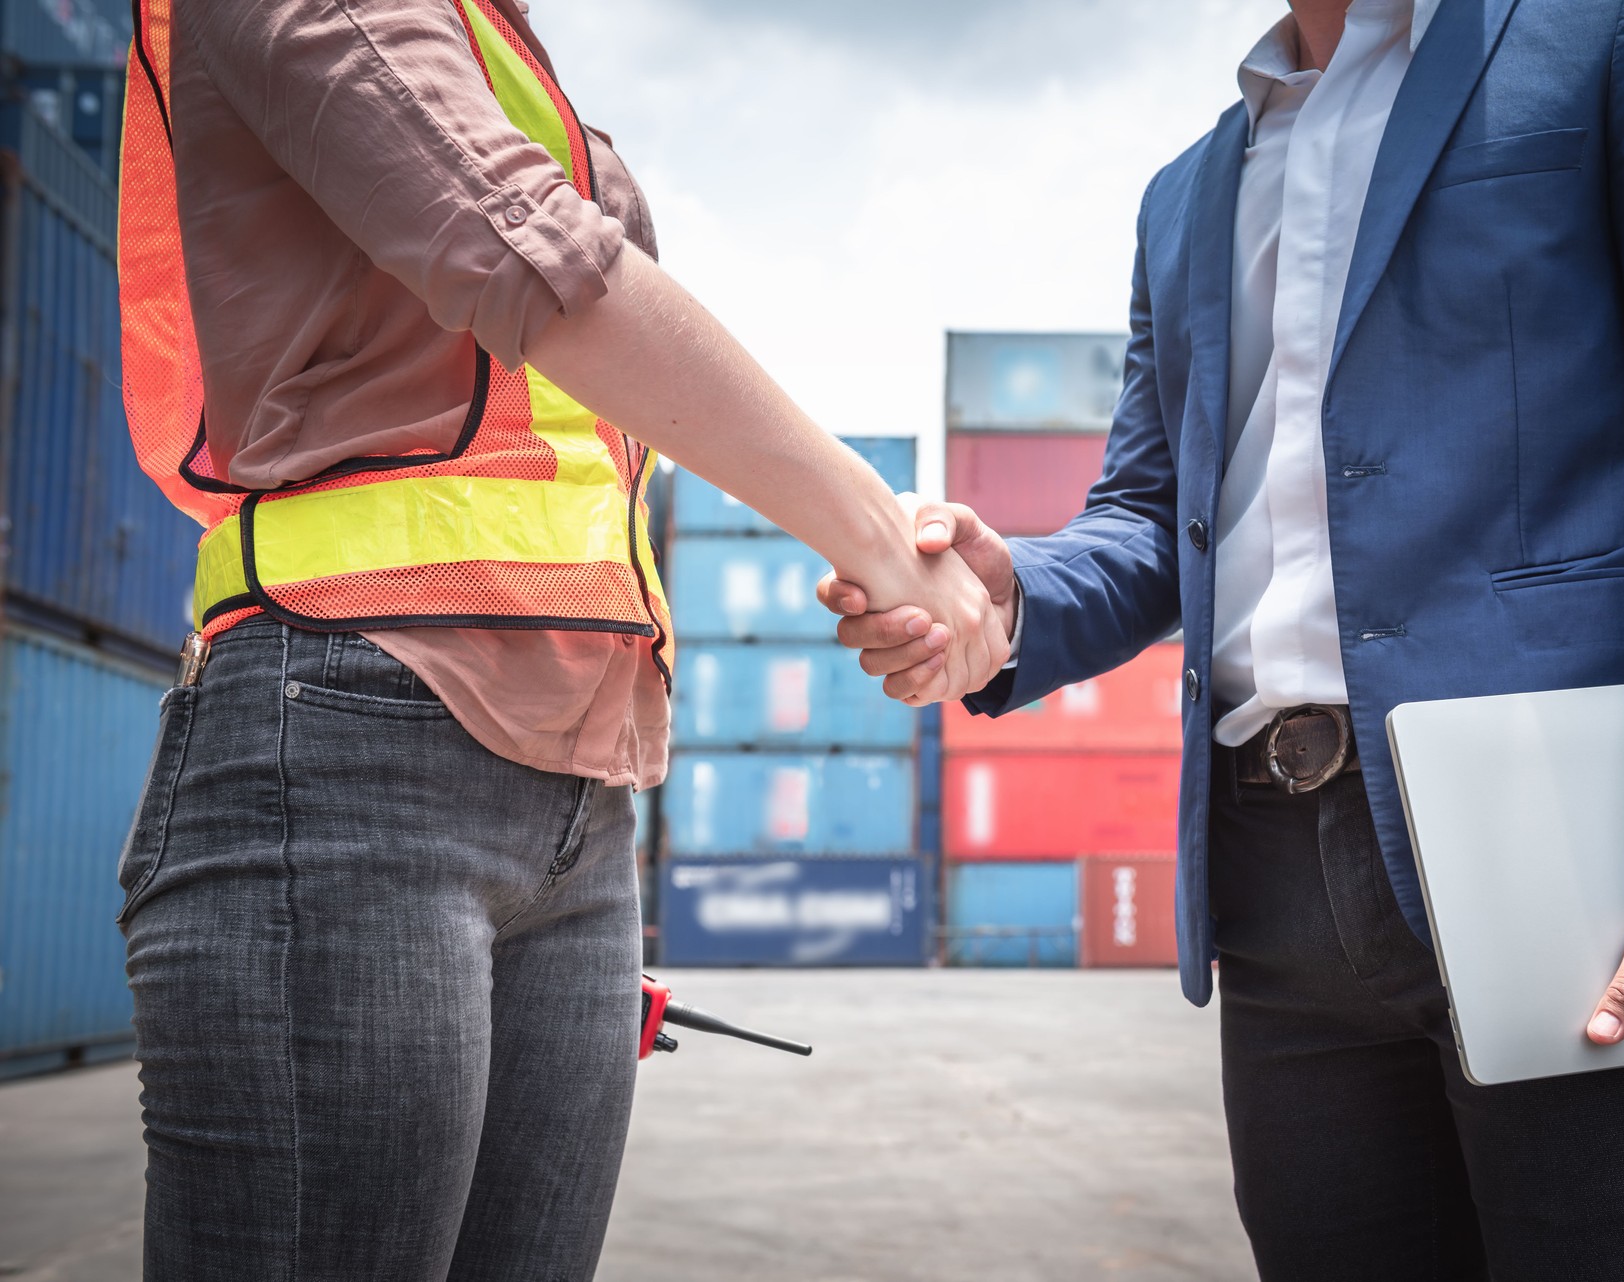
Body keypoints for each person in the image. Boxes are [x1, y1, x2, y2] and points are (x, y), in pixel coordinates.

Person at [824, 0, 1624, 1276]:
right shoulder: (1187, 191)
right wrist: (1014, 593)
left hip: (1562, 867)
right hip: (1272, 879)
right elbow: (1159, 520)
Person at [113, 0, 1006, 1277]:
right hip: (349, 748)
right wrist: (866, 528)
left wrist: (891, 544)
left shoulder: (493, 32)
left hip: (582, 801)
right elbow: (525, 255)